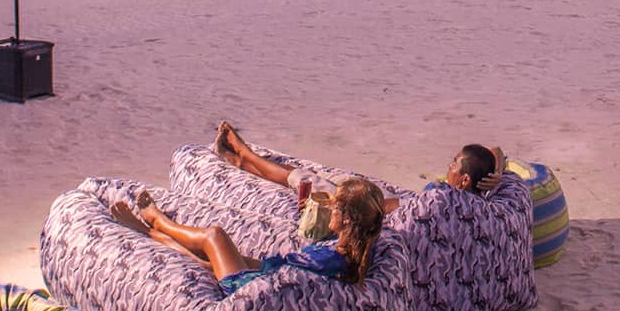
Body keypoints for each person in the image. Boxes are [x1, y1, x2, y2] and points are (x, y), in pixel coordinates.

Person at [110, 180, 387, 292]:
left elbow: (286, 276)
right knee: (206, 260)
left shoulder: (330, 260)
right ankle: (151, 230)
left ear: (348, 219)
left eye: (335, 207)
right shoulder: (359, 249)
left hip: (249, 286)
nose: (329, 210)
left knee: (214, 237)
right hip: (267, 272)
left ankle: (154, 221)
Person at [214, 121, 504, 212]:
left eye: (453, 164)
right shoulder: (490, 201)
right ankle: (245, 158)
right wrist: (499, 172)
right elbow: (495, 151)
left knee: (304, 179)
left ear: (464, 180)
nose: (448, 166)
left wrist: (351, 202)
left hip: (384, 207)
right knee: (323, 176)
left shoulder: (444, 202)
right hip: (400, 199)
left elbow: (390, 209)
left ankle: (244, 154)